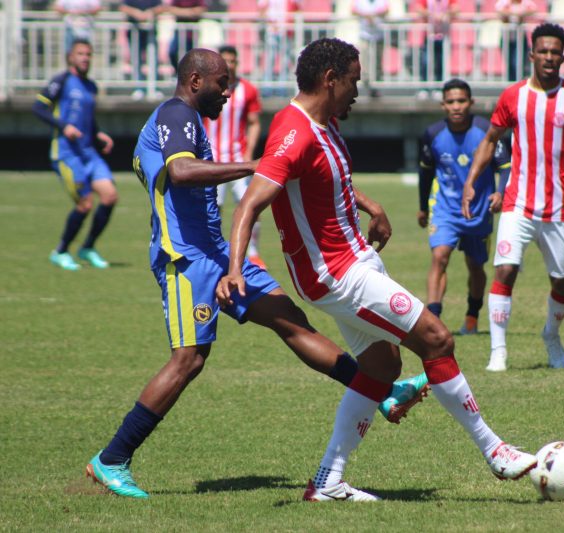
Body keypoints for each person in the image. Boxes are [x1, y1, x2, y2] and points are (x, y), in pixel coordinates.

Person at [84, 48, 429, 500]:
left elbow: (311, 174)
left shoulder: (186, 119)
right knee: (189, 359)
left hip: (219, 253)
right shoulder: (175, 114)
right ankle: (111, 460)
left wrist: (362, 201)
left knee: (290, 320)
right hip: (185, 259)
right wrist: (256, 166)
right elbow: (182, 172)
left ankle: (381, 391)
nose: (229, 92)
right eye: (221, 83)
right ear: (193, 81)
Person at [216, 37, 538, 502]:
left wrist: (371, 205)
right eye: (353, 82)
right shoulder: (293, 131)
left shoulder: (321, 124)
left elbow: (330, 179)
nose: (357, 92)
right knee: (437, 339)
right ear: (331, 80)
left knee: (383, 365)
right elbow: (251, 202)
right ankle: (496, 451)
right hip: (336, 274)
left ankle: (328, 482)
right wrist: (234, 268)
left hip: (353, 261)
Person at [462, 23, 564, 371]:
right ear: (532, 55)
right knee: (505, 270)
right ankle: (498, 350)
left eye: (555, 52)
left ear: (563, 56)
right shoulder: (513, 96)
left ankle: (551, 335)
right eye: (543, 51)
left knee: (562, 282)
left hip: (559, 208)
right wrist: (472, 180)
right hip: (517, 204)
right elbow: (491, 139)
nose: (549, 57)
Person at [417, 78, 510, 335]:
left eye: (461, 101)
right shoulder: (432, 135)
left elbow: (505, 167)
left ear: (471, 103)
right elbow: (425, 174)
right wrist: (423, 207)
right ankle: (434, 321)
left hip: (479, 211)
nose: (456, 106)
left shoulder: (488, 131)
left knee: (475, 266)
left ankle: (472, 314)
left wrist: (500, 193)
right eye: (450, 102)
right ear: (443, 105)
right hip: (444, 209)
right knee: (439, 257)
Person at [33, 39, 117, 271]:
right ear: (71, 57)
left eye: (88, 54)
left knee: (110, 196)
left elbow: (88, 120)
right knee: (85, 204)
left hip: (89, 152)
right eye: (80, 54)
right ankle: (60, 251)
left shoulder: (91, 86)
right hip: (66, 153)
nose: (85, 58)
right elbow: (38, 107)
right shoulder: (61, 81)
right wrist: (63, 126)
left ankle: (87, 247)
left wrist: (99, 134)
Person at [202, 45, 266, 268]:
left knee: (251, 204)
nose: (229, 65)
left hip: (239, 159)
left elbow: (254, 123)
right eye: (225, 61)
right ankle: (213, 249)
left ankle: (254, 252)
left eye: (233, 61)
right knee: (213, 207)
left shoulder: (248, 90)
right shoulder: (209, 89)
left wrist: (249, 153)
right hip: (213, 160)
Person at [411, 0, 456, 96]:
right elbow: (418, 8)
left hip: (443, 37)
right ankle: (424, 87)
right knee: (425, 62)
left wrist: (445, 14)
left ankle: (439, 88)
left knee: (440, 63)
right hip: (429, 36)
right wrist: (431, 14)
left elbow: (456, 8)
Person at [119, 0, 162, 96]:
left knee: (153, 60)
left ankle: (153, 87)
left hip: (150, 32)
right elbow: (123, 7)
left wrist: (150, 13)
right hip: (134, 32)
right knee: (136, 60)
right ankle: (139, 88)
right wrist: (136, 13)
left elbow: (161, 7)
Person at [352, 0, 390, 96]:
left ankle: (375, 86)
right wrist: (366, 16)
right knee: (364, 62)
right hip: (365, 35)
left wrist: (374, 15)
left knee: (377, 62)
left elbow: (387, 10)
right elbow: (353, 10)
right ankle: (367, 83)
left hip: (378, 36)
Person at [495, 0, 538, 82]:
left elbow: (533, 10)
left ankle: (519, 82)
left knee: (519, 63)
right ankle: (511, 82)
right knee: (509, 63)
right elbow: (500, 12)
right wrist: (515, 14)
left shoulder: (525, 2)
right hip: (506, 37)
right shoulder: (504, 2)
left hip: (520, 37)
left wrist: (521, 14)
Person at [162, 0, 207, 71]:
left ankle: (188, 76)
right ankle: (179, 74)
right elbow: (171, 9)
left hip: (192, 34)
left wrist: (181, 12)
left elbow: (201, 9)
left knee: (191, 58)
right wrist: (188, 12)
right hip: (178, 32)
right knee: (172, 52)